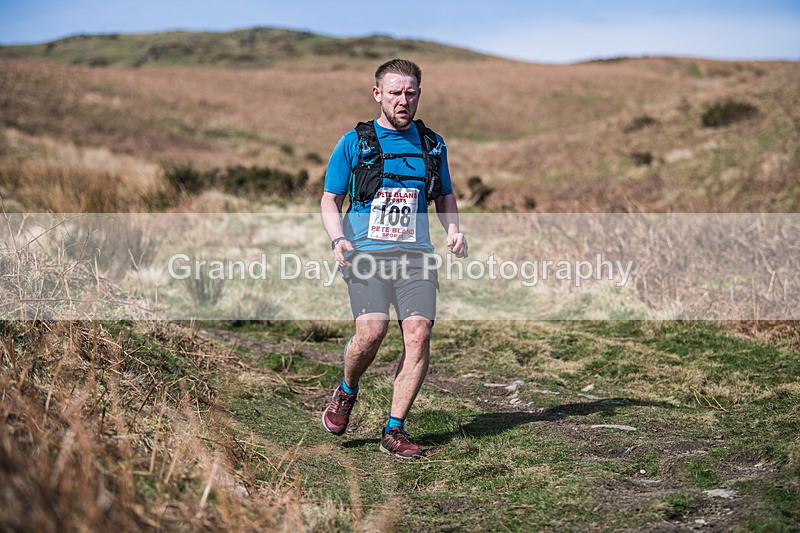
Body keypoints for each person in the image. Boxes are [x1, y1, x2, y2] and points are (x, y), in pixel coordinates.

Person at [320, 58, 467, 459]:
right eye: (395, 93)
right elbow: (331, 199)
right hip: (365, 253)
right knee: (371, 332)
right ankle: (347, 390)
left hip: (416, 256)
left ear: (419, 94)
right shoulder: (354, 142)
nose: (404, 101)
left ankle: (394, 430)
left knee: (418, 336)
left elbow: (445, 195)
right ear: (378, 94)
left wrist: (453, 229)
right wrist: (337, 239)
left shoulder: (432, 144)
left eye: (411, 93)